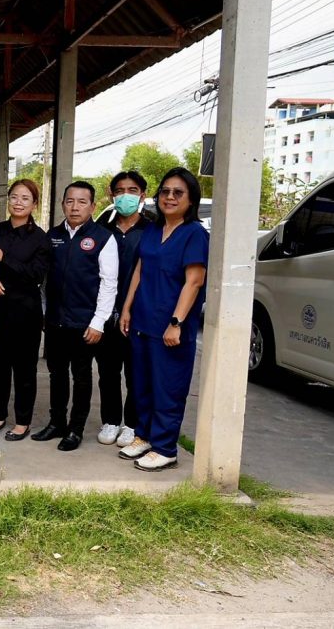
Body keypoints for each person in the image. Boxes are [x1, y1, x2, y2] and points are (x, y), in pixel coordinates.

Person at [119, 167, 208, 472]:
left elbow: (194, 282)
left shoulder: (195, 234)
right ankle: (144, 436)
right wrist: (127, 308)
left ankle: (165, 447)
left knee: (167, 388)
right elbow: (140, 270)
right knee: (142, 385)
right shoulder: (153, 230)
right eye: (165, 192)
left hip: (170, 327)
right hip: (142, 320)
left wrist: (176, 322)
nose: (170, 197)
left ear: (191, 199)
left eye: (178, 193)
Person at [32, 181, 117, 452]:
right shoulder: (53, 236)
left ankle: (75, 429)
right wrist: (44, 313)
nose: (75, 207)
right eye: (70, 201)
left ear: (92, 206)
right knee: (56, 374)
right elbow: (44, 280)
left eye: (82, 202)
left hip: (85, 323)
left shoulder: (103, 238)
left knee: (81, 377)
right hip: (55, 321)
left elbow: (109, 284)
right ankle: (56, 422)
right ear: (62, 205)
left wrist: (98, 322)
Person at [0, 179, 51, 441]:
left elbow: (36, 275)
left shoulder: (40, 238)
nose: (18, 202)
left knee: (24, 370)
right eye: (14, 197)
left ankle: (23, 422)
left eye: (25, 198)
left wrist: (5, 258)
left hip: (26, 313)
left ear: (34, 204)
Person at [95, 171, 152, 448]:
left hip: (139, 314)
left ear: (142, 194)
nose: (125, 196)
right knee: (107, 371)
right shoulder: (101, 229)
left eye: (132, 190)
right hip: (106, 313)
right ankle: (110, 420)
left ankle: (131, 423)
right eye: (119, 191)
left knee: (135, 373)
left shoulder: (152, 230)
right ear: (111, 194)